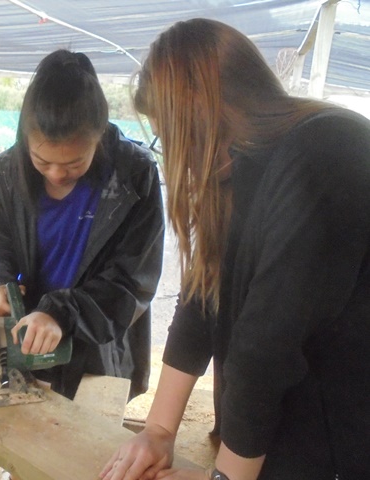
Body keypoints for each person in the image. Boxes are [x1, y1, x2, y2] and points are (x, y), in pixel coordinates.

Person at [101, 18, 370, 480]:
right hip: (287, 433)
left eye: (173, 135)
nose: (178, 156)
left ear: (202, 112)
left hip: (345, 439)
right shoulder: (244, 167)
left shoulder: (325, 150)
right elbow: (202, 297)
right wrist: (159, 429)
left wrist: (225, 479)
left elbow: (265, 347)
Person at [0, 49, 165, 402]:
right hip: (27, 340)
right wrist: (0, 281)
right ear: (26, 138)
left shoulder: (134, 175)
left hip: (99, 345)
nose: (57, 174)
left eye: (74, 164)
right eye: (41, 161)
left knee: (92, 435)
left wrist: (62, 314)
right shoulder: (8, 171)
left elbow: (133, 281)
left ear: (99, 135)